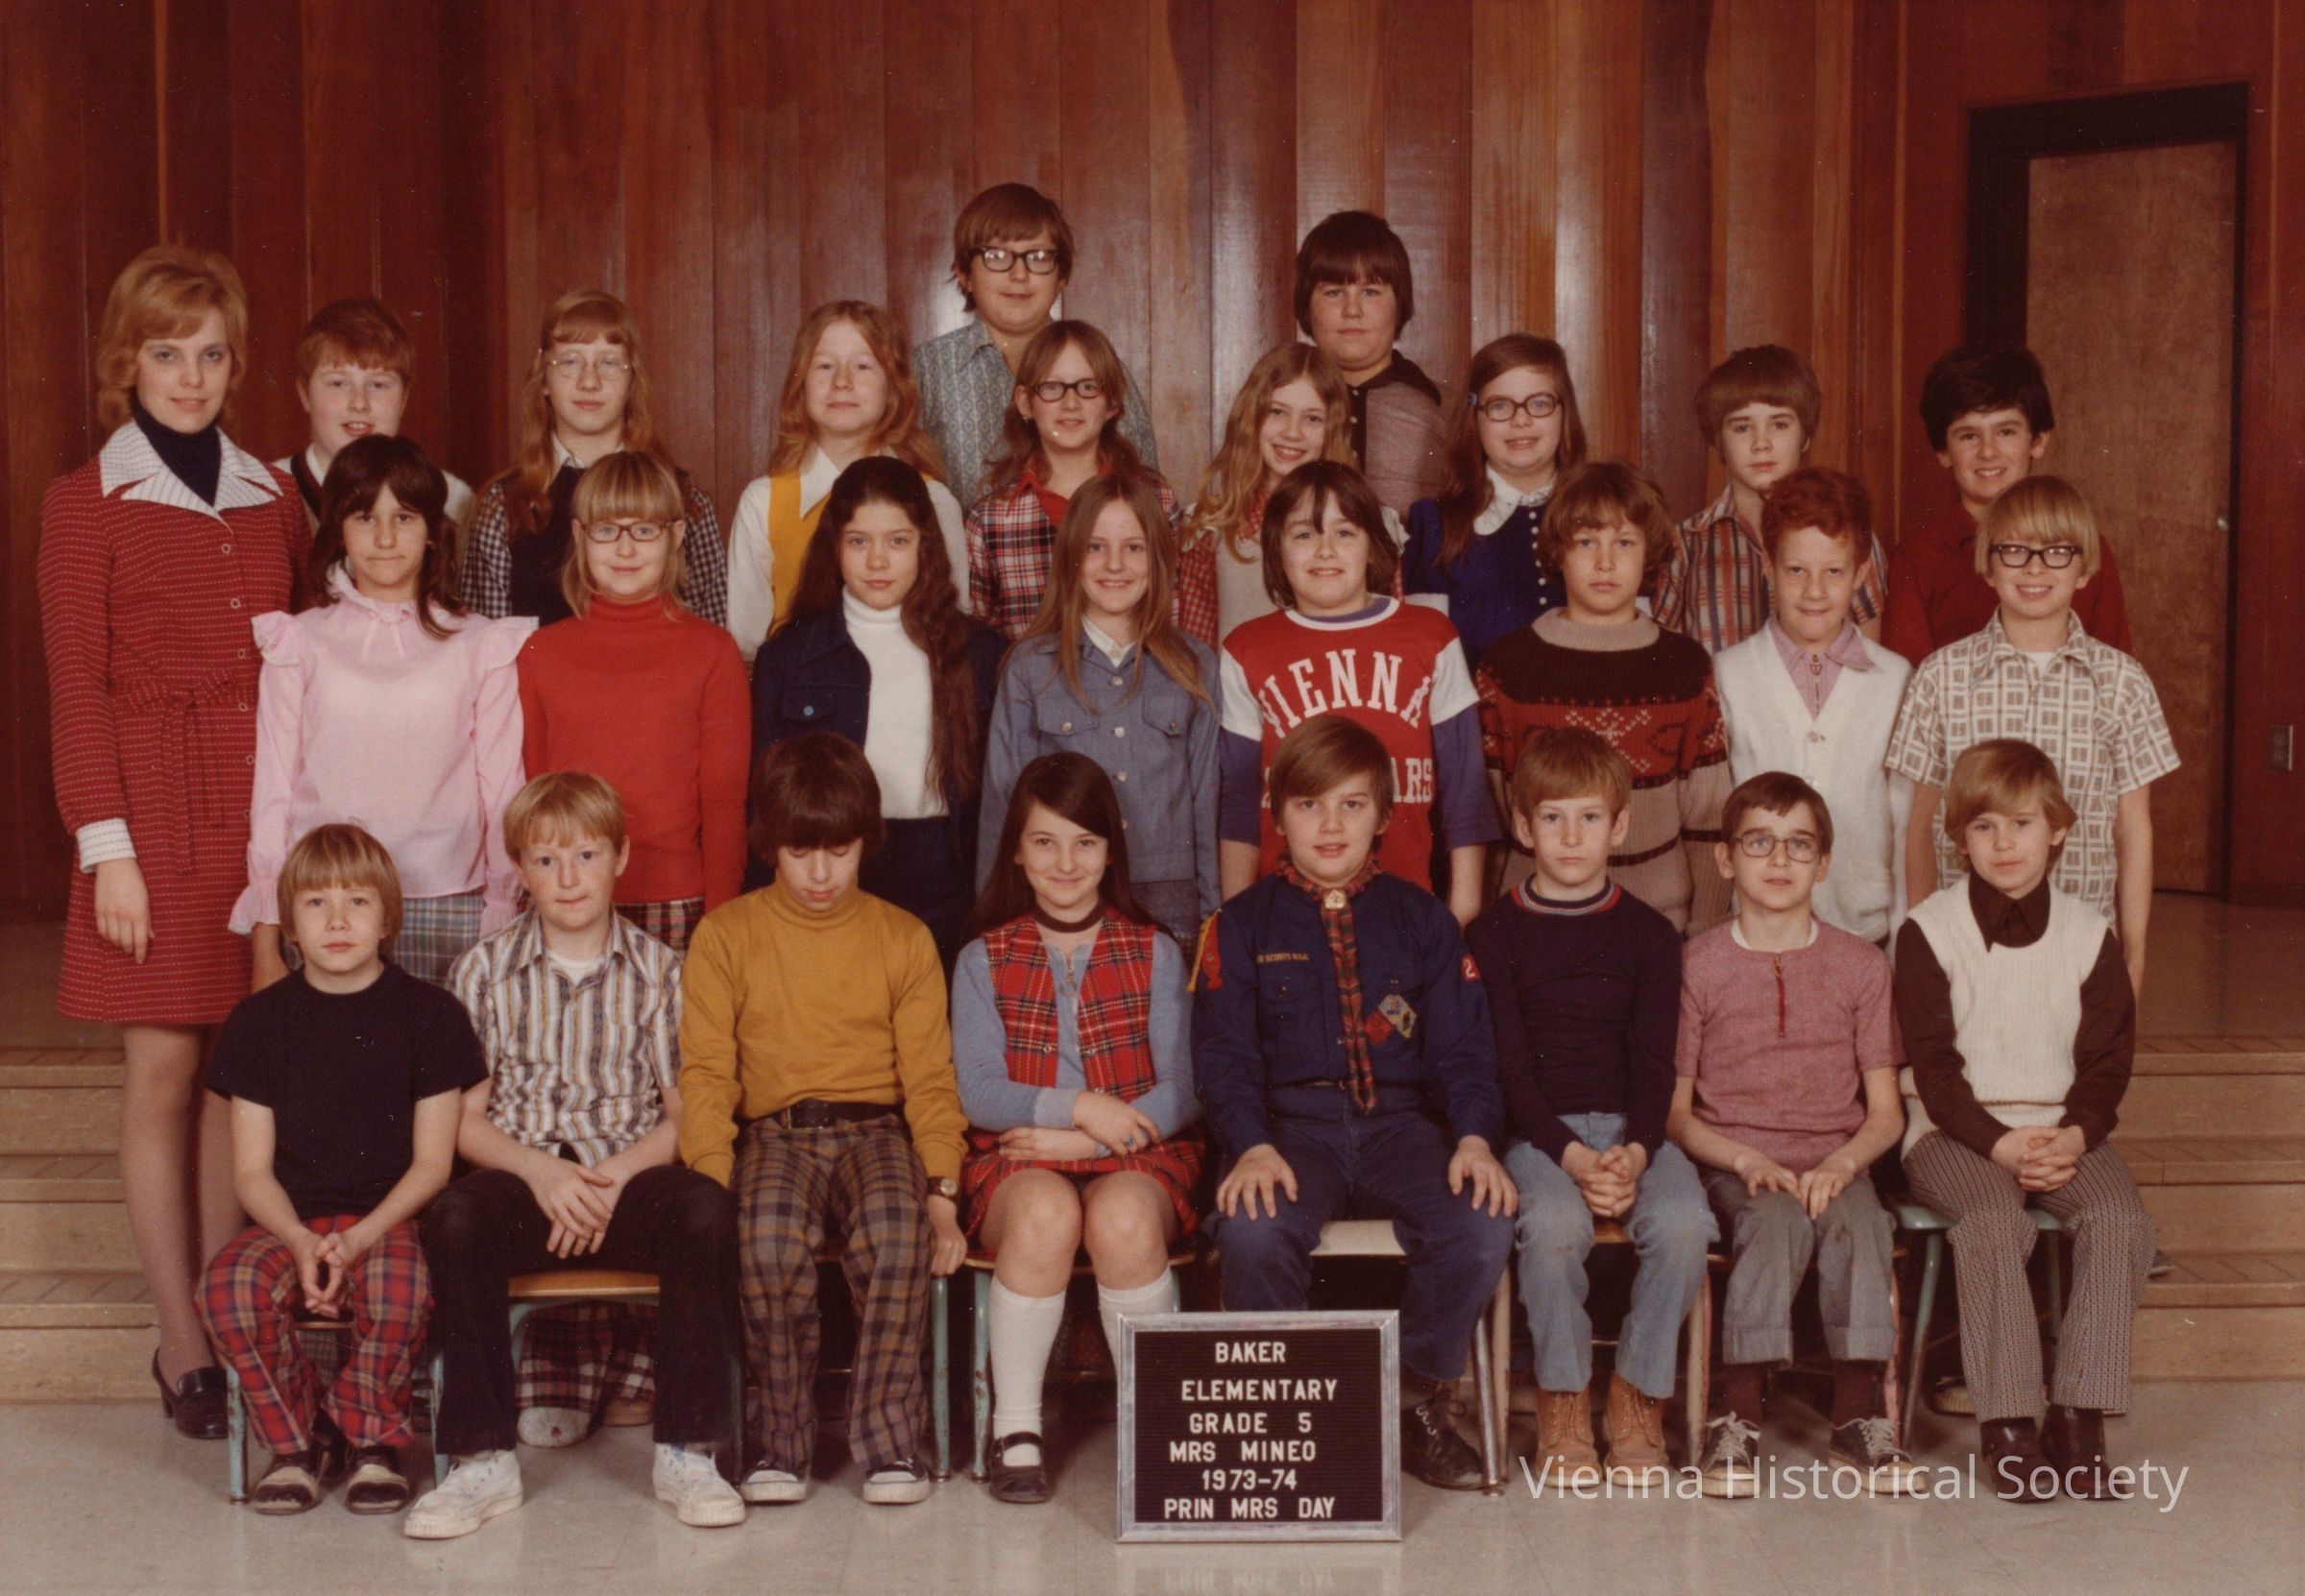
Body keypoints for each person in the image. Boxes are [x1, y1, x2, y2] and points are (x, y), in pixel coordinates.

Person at [38, 244, 308, 1439]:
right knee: (162, 1074)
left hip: (260, 815)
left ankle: (230, 1316)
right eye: (166, 353)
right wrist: (109, 850)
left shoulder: (272, 496)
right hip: (149, 815)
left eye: (210, 354)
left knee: (232, 1081)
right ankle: (180, 1341)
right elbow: (76, 687)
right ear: (126, 362)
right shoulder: (82, 501)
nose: (191, 378)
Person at [408, 773, 745, 1537]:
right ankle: (482, 1460)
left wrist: (611, 1177)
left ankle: (688, 1451)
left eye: (586, 856)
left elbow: (683, 1113)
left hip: (627, 1176)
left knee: (706, 1209)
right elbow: (464, 1120)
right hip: (525, 1180)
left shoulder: (662, 972)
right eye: (546, 860)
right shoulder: (483, 972)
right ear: (519, 870)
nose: (568, 878)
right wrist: (545, 1173)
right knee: (456, 1217)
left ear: (620, 858)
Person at [1193, 714, 1515, 1491]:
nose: (1330, 825)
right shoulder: (1239, 925)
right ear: (1278, 816)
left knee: (1480, 1221)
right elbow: (1223, 1057)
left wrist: (1474, 1138)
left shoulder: (1424, 920)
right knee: (1253, 1231)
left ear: (1385, 815)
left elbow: (1466, 1050)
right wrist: (1250, 1144)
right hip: (1288, 1131)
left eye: (1351, 804)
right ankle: (1287, 1420)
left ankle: (1414, 1402)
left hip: (1401, 1127)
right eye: (1309, 805)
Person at [681, 732, 969, 1507]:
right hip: (774, 1134)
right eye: (799, 851)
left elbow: (931, 1082)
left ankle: (891, 1442)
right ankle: (779, 1446)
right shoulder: (726, 936)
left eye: (838, 852)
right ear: (768, 843)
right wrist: (712, 1189)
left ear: (866, 841)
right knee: (767, 1244)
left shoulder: (903, 937)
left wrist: (942, 1191)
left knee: (897, 1235)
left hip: (878, 1131)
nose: (819, 874)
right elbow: (706, 1078)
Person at [1893, 740, 2155, 1504]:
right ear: (1959, 838)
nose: (2004, 844)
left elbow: (2106, 1063)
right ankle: (2008, 1425)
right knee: (1991, 1223)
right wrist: (2001, 1144)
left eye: (2022, 823)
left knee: (2118, 1219)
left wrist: (2073, 1135)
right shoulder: (1928, 930)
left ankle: (2077, 1419)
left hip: (2063, 1128)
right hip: (1954, 1131)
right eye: (1983, 827)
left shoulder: (2089, 933)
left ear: (2059, 829)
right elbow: (1934, 1070)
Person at [202, 824, 482, 1514]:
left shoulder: (431, 1015)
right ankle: (298, 1444)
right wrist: (301, 1241)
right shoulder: (257, 1023)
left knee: (401, 1288)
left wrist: (357, 1239)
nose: (336, 921)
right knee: (227, 1289)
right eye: (316, 903)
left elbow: (433, 1164)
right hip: (289, 1223)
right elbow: (251, 1173)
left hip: (390, 1221)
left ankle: (371, 1439)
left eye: (357, 902)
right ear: (289, 924)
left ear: (387, 918)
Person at [952, 753, 1203, 1503]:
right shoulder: (982, 958)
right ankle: (1016, 1427)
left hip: (1140, 1154)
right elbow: (979, 1092)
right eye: (1045, 842)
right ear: (1015, 851)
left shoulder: (1155, 950)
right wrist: (1081, 1107)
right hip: (1020, 1156)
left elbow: (1183, 1090)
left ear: (1111, 850)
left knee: (1123, 1220)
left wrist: (1092, 1139)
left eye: (1085, 843)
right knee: (1044, 1214)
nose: (1066, 863)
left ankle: (1156, 1421)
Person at [1464, 728, 1710, 1488]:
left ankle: (1637, 1396)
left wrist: (1634, 1153)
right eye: (1553, 818)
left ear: (1621, 826)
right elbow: (1508, 1071)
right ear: (1523, 826)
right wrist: (1572, 1157)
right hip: (1539, 1137)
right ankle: (1564, 1400)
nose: (1571, 838)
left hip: (1634, 1134)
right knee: (1554, 1226)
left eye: (1590, 818)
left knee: (1683, 1223)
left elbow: (1655, 1064)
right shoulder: (1494, 933)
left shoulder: (1650, 935)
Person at [1668, 773, 1918, 1498]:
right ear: (1725, 859)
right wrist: (1744, 1157)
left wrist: (1844, 1162)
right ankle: (1735, 1415)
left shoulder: (1861, 965)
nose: (1779, 860)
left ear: (1824, 863)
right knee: (1774, 1219)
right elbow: (1675, 1114)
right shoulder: (1696, 965)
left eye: (1799, 845)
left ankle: (1859, 1418)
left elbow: (1886, 1112)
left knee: (1862, 1224)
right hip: (1734, 1161)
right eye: (1759, 843)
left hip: (1835, 1159)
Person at [235, 435, 532, 990]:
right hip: (329, 902)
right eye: (365, 518)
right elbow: (274, 788)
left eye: (405, 517)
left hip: (453, 901)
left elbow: (502, 787)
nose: (386, 538)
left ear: (433, 529)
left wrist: (502, 902)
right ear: (339, 530)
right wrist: (266, 930)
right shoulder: (298, 640)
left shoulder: (480, 643)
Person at [1885, 476, 2177, 996]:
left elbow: (2133, 831)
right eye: (2015, 550)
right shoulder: (1940, 677)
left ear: (2085, 569)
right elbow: (1920, 826)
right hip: (1967, 953)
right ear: (1988, 565)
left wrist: (2133, 960)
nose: (2035, 569)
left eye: (2057, 551)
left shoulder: (2123, 682)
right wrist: (1924, 949)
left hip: (2081, 954)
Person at [1217, 462, 1497, 924]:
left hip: (1407, 907)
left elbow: (1465, 786)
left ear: (1373, 545)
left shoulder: (1430, 635)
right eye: (1303, 534)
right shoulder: (1246, 648)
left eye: (1345, 532)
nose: (1325, 550)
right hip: (1284, 913)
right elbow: (1239, 798)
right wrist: (1239, 913)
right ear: (1277, 550)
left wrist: (1462, 906)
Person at [752, 458, 1005, 967]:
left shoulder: (979, 653)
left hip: (945, 879)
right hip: (834, 870)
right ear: (834, 547)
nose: (877, 561)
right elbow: (760, 798)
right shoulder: (789, 656)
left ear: (925, 546)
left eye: (897, 541)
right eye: (858, 541)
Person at [1475, 461, 1734, 934]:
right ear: (1558, 551)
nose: (1605, 562)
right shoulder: (1508, 668)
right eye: (1586, 542)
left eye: (1625, 543)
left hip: (1659, 925)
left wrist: (1707, 929)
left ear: (1650, 553)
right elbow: (1490, 819)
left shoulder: (1684, 667)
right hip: (1535, 923)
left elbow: (1708, 817)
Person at [519, 450, 750, 953]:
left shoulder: (713, 651)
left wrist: (721, 922)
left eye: (644, 530)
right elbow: (533, 797)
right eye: (607, 530)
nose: (625, 549)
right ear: (580, 536)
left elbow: (724, 804)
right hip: (566, 898)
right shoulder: (540, 652)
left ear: (677, 535)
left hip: (677, 901)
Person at [981, 474, 1220, 948]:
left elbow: (1208, 802)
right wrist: (995, 931)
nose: (1115, 565)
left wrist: (1214, 921)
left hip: (1169, 902)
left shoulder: (1195, 665)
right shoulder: (1030, 668)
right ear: (1071, 556)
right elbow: (1002, 805)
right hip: (1061, 897)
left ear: (1159, 558)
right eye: (1095, 547)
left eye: (1134, 548)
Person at [1711, 468, 1912, 944]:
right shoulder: (1728, 674)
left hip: (1864, 931)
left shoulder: (1896, 679)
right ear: (1768, 566)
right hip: (1756, 932)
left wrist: (1902, 944)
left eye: (1834, 572)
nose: (1814, 591)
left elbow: (1906, 826)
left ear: (1860, 573)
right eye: (1796, 570)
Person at [463, 288, 728, 627]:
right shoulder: (503, 506)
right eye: (570, 362)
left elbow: (710, 634)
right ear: (543, 379)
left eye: (609, 362)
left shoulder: (684, 499)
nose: (589, 382)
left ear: (633, 379)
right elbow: (486, 647)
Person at [727, 301, 969, 661]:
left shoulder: (933, 500)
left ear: (893, 388)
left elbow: (954, 625)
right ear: (800, 384)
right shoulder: (762, 502)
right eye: (825, 366)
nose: (842, 381)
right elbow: (747, 643)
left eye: (862, 366)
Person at [913, 182, 1160, 511]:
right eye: (996, 256)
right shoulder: (926, 369)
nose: (1019, 274)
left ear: (1061, 277)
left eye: (1039, 257)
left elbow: (1145, 492)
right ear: (964, 273)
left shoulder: (1100, 366)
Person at [1880, 346, 2130, 665]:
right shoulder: (1917, 560)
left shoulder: (2082, 546)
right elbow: (1909, 681)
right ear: (1943, 452)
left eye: (2006, 432)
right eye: (1968, 436)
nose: (1988, 451)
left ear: (2038, 441)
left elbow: (2113, 668)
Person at [1655, 345, 1888, 654]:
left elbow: (1870, 655)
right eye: (1742, 428)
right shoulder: (1686, 545)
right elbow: (1666, 654)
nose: (1761, 443)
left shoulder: (1849, 534)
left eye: (1779, 425)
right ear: (1717, 443)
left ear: (1805, 436)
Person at [966, 319, 1178, 640]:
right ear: (1025, 403)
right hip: (1029, 672)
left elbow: (1173, 617)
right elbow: (980, 639)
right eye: (1052, 388)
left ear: (1112, 403)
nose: (1070, 404)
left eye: (1088, 387)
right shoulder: (991, 518)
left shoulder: (1155, 499)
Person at [1401, 334, 1586, 667]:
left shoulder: (1601, 515)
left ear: (1564, 411)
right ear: (1475, 417)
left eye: (1539, 404)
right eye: (1500, 406)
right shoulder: (1436, 525)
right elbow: (1428, 660)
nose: (1521, 420)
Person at [1177, 343, 1354, 641]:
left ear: (1332, 430)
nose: (1292, 432)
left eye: (1312, 418)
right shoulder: (1210, 527)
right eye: (1277, 412)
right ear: (1251, 418)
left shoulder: (1366, 523)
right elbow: (1197, 652)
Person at [276, 296, 474, 542]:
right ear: (305, 394)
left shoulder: (453, 500)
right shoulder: (267, 493)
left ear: (404, 399)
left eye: (378, 385)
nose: (359, 403)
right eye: (338, 383)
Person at [1293, 210, 1445, 515]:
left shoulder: (1445, 410)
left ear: (1399, 304)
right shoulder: (1277, 407)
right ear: (1306, 306)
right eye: (1334, 292)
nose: (1352, 310)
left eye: (1370, 291)